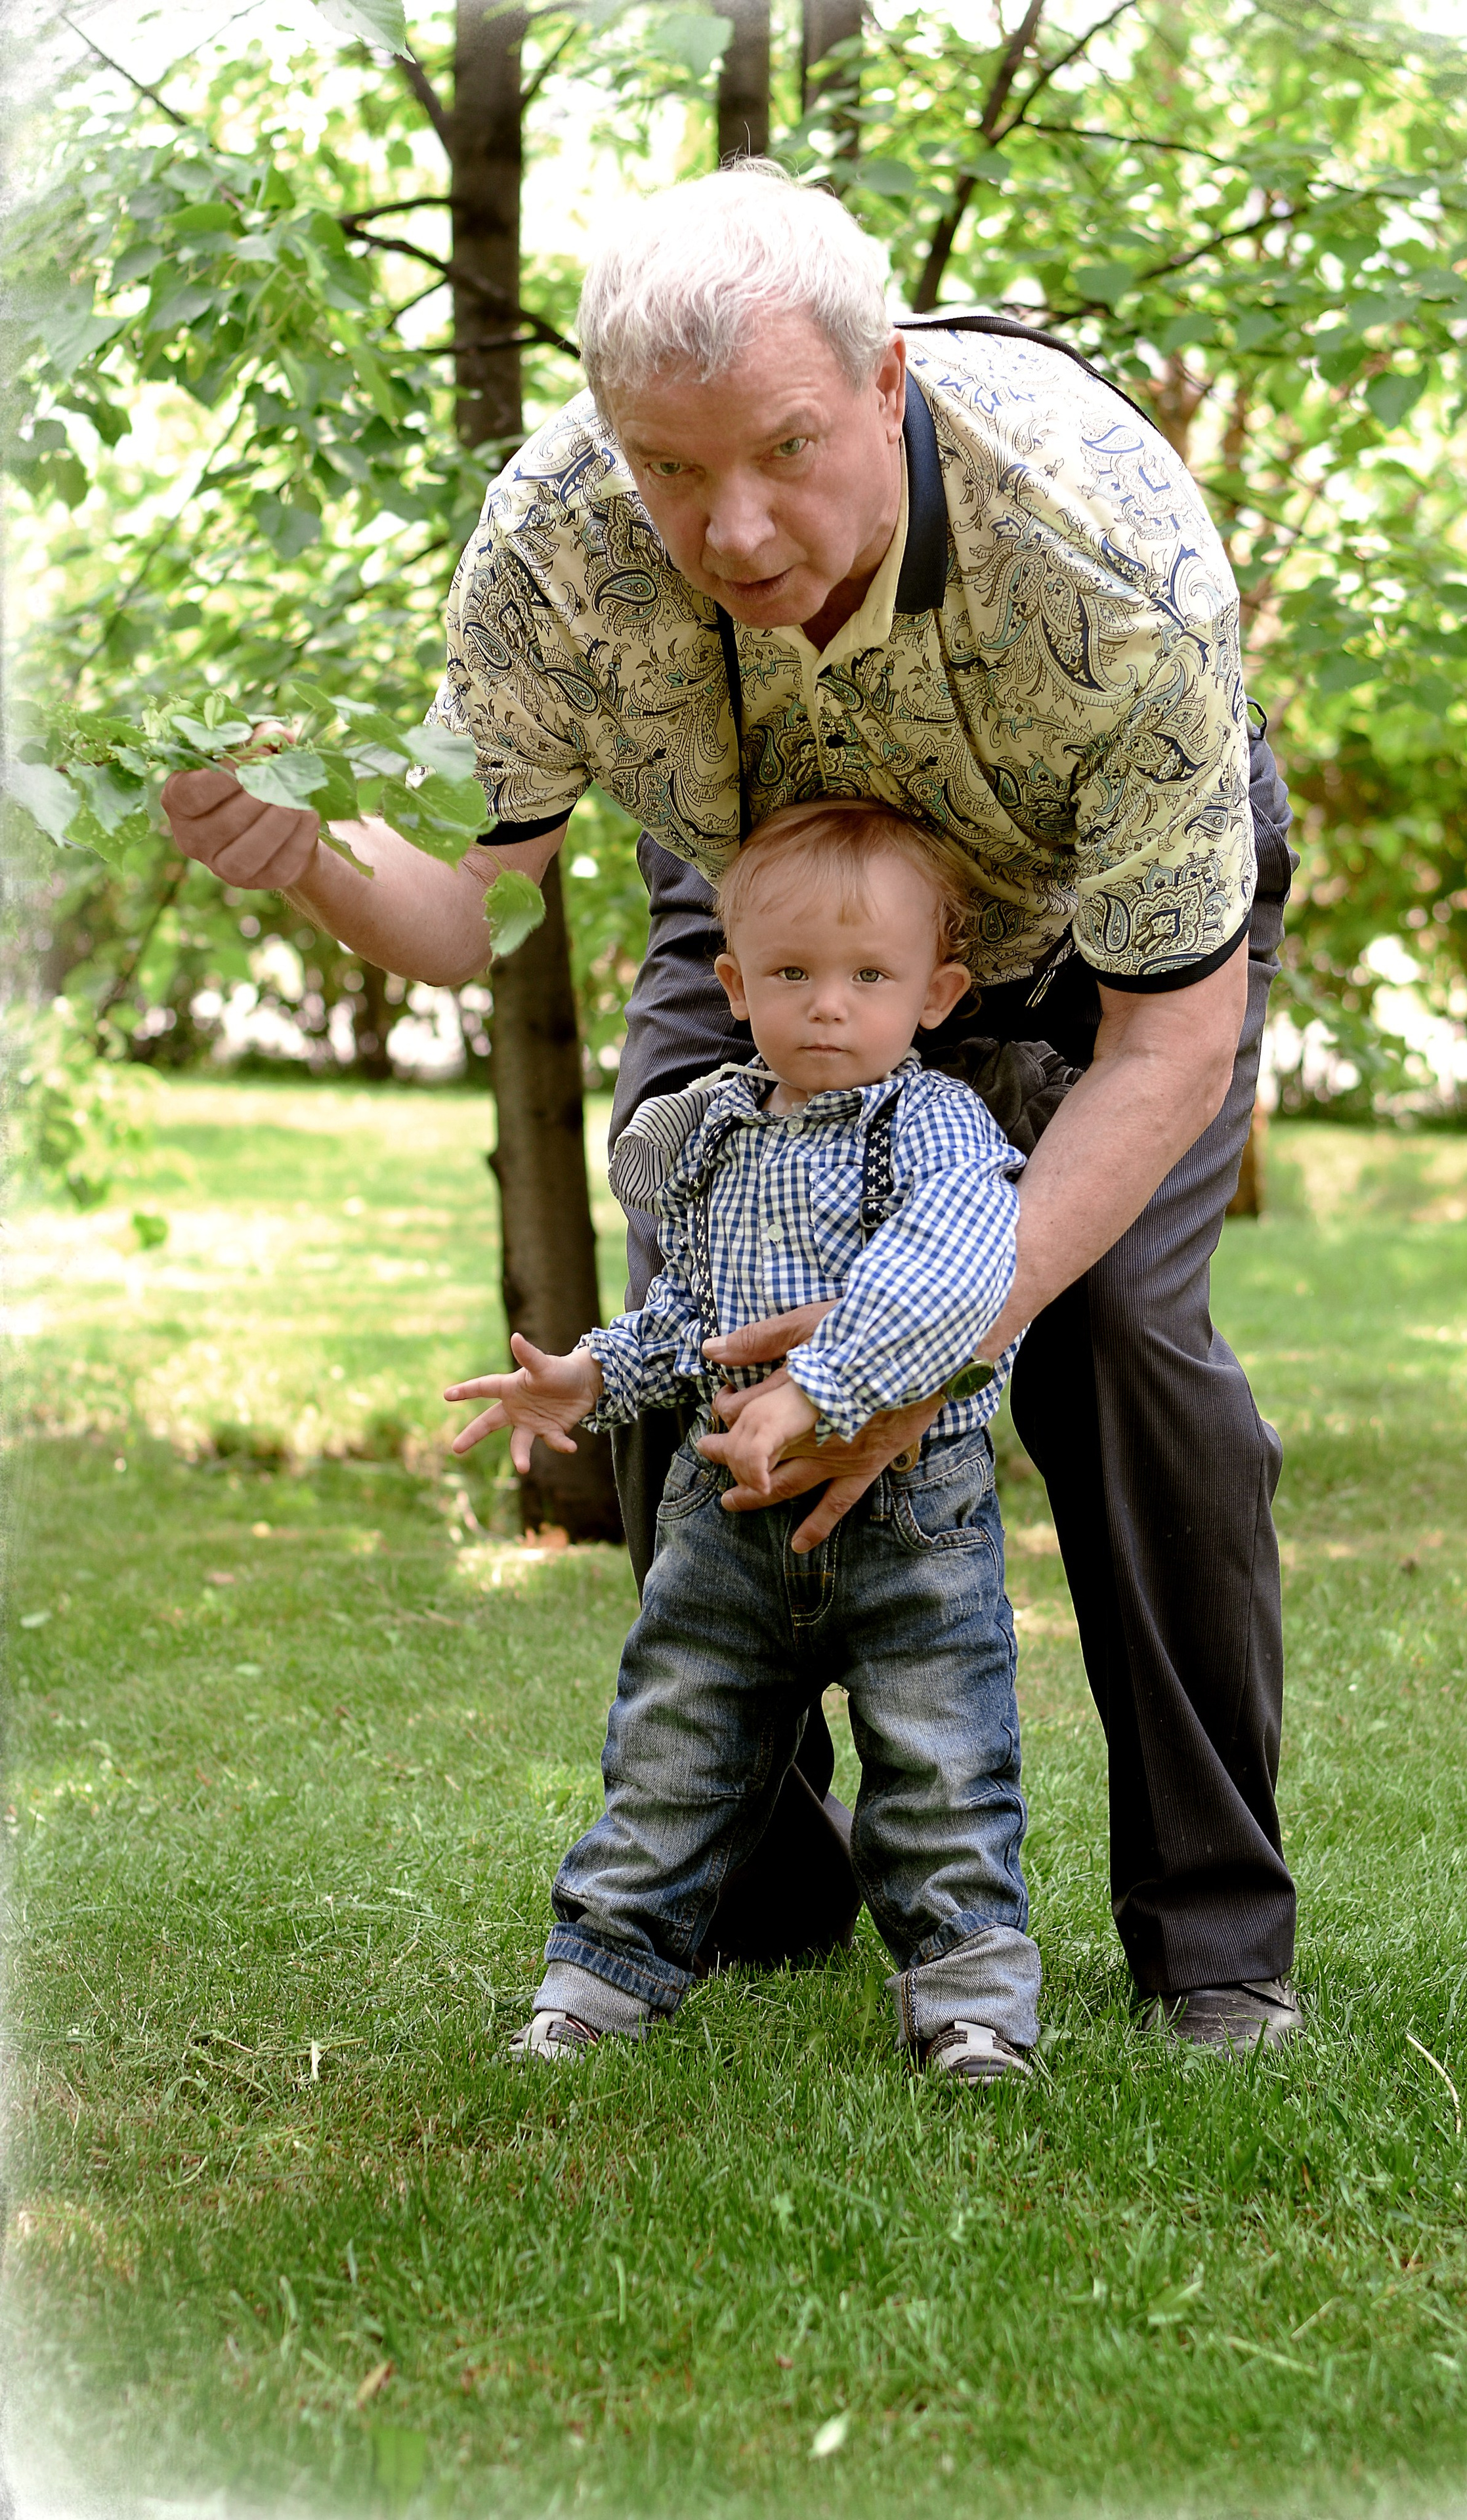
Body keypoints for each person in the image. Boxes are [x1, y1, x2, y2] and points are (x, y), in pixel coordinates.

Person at [159, 163, 1300, 2051]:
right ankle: (763, 1892)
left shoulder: (1112, 556)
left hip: (1094, 934)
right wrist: (307, 864)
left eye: (778, 450)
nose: (733, 531)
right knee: (684, 1331)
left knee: (1112, 1340)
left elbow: (1169, 1044)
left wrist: (932, 1329)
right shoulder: (553, 541)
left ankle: (1216, 1946)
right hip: (773, 916)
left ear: (884, 387)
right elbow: (469, 899)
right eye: (670, 470)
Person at [444, 801, 1039, 2086]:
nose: (829, 1007)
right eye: (791, 975)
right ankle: (599, 1972)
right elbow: (689, 1321)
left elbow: (955, 1274)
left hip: (909, 1530)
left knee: (942, 1767)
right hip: (721, 1533)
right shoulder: (711, 1135)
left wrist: (820, 1389)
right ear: (732, 985)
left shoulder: (928, 1126)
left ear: (934, 994)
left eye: (867, 977)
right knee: (671, 1749)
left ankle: (970, 2008)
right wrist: (590, 1377)